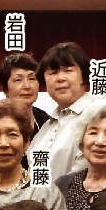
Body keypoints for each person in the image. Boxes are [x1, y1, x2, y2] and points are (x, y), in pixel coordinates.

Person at [31, 42, 95, 181]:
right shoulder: (47, 126)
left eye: (68, 70)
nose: (60, 78)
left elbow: (85, 180)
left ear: (83, 75)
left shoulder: (98, 116)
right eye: (53, 73)